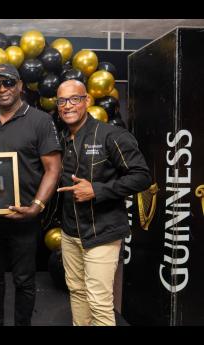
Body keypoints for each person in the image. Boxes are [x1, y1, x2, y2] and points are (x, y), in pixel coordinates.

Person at [55, 79, 151, 326]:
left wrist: (97, 191)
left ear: (87, 100)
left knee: (98, 302)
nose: (68, 106)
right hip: (70, 233)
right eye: (62, 101)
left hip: (103, 232)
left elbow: (142, 177)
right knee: (77, 291)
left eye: (74, 99)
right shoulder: (62, 139)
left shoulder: (112, 135)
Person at [0, 64, 62, 326]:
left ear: (20, 85)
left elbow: (53, 169)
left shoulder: (40, 120)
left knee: (24, 279)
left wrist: (36, 206)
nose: (2, 89)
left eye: (8, 83)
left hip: (24, 215)